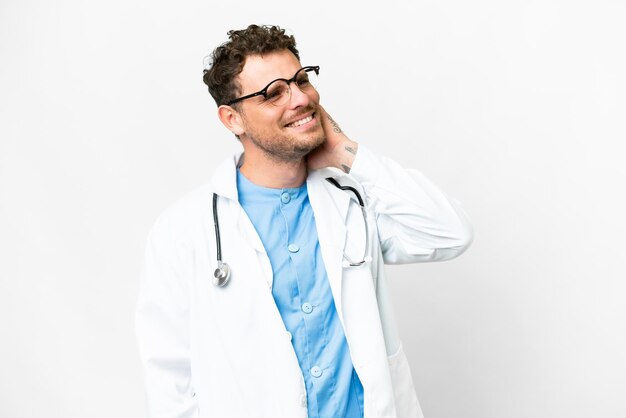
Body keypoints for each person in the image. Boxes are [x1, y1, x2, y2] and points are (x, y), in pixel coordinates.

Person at [135, 24, 473, 418]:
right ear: (232, 119)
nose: (300, 98)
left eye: (301, 80)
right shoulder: (184, 230)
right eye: (273, 93)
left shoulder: (351, 201)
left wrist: (346, 152)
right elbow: (169, 379)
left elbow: (451, 232)